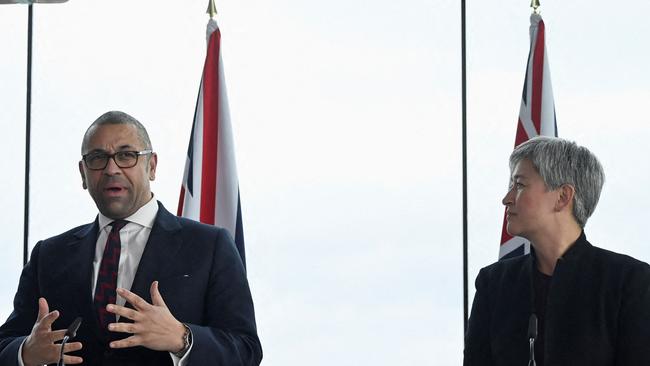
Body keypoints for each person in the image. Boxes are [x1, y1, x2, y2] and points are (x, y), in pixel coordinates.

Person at [0, 111, 262, 366]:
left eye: (126, 155)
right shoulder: (49, 255)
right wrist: (26, 353)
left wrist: (182, 338)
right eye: (98, 157)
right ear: (83, 173)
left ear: (152, 166)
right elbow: (5, 344)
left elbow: (246, 351)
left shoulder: (210, 245)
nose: (112, 168)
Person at [464, 136, 650, 366]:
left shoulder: (630, 282)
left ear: (562, 197)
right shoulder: (493, 283)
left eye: (520, 185)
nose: (507, 199)